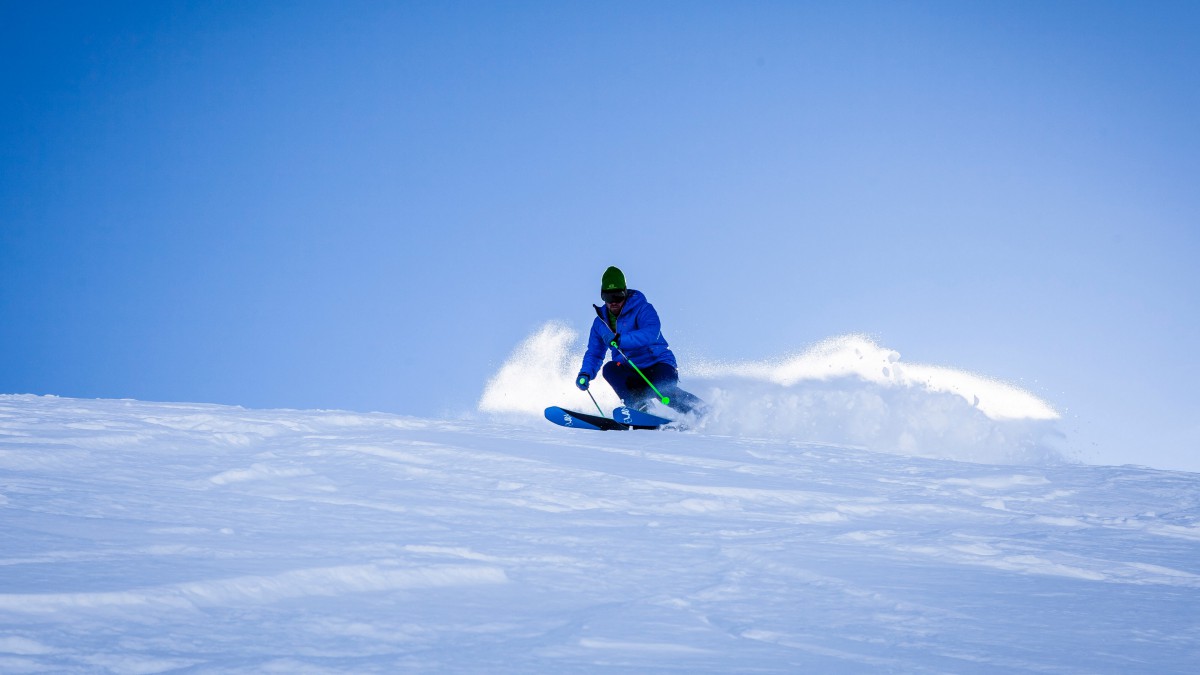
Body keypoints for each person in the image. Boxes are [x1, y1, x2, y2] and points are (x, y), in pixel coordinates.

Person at [576, 266, 706, 416]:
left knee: (662, 391)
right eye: (608, 297)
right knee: (610, 369)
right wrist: (585, 373)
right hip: (631, 372)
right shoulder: (600, 324)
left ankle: (700, 412)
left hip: (658, 364)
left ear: (625, 293)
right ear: (602, 297)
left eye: (618, 296)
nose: (614, 302)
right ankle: (641, 409)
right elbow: (594, 353)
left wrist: (621, 339)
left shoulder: (643, 308)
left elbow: (651, 333)